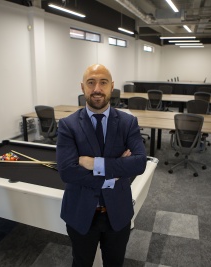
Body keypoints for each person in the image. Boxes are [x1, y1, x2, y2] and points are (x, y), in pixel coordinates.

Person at [56, 64, 147, 267]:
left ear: (112, 86)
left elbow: (140, 163)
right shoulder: (67, 125)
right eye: (91, 82)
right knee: (81, 263)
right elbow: (67, 171)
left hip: (118, 212)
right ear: (83, 87)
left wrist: (94, 163)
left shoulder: (128, 122)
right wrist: (116, 171)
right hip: (80, 212)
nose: (97, 88)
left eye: (103, 82)